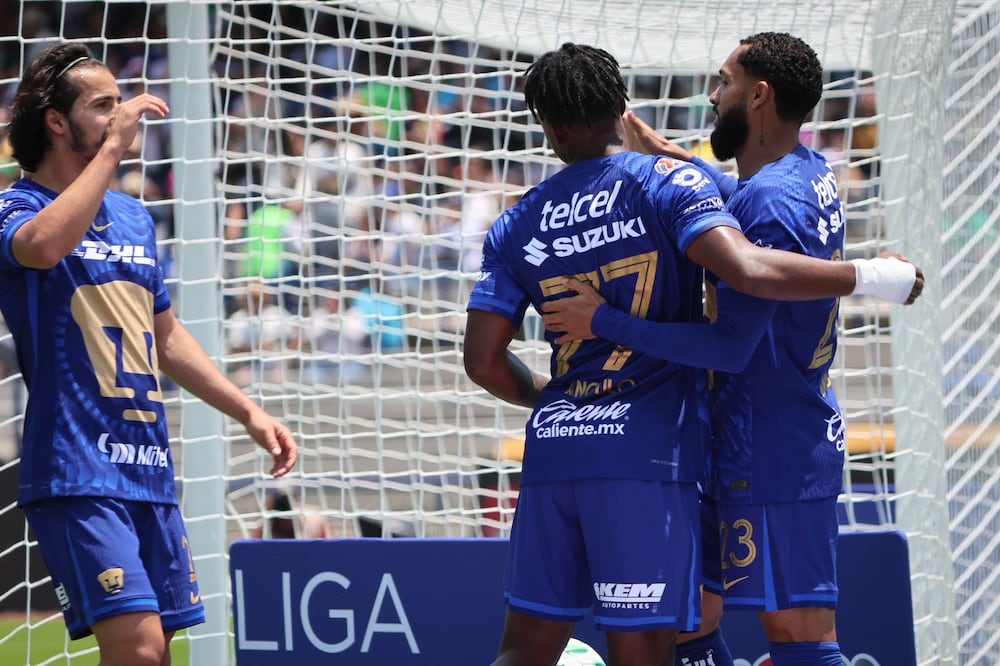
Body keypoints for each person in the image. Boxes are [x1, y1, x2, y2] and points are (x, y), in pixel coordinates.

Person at [464, 42, 921, 666]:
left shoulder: (517, 221)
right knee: (675, 632)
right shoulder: (789, 176)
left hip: (759, 445)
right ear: (620, 106)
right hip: (684, 448)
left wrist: (590, 343)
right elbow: (734, 211)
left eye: (724, 82)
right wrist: (671, 164)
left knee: (790, 635)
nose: (711, 95)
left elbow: (733, 334)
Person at [0, 43, 299, 666]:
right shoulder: (17, 206)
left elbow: (164, 337)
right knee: (136, 649)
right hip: (76, 467)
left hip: (147, 465)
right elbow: (41, 248)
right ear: (56, 121)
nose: (122, 114)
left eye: (120, 103)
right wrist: (112, 151)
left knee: (159, 653)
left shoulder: (134, 218)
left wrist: (247, 411)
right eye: (102, 105)